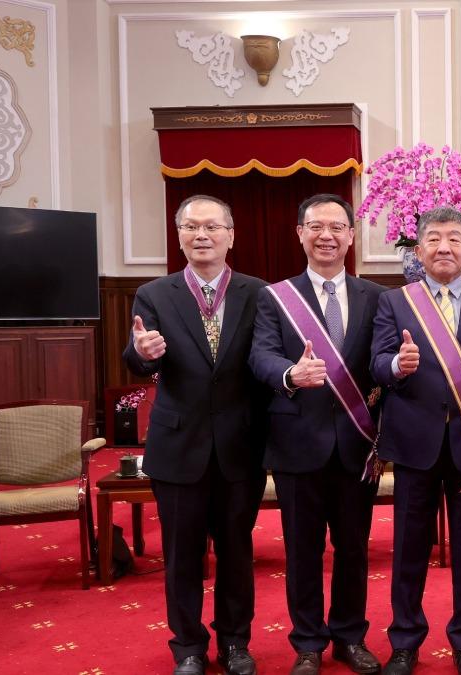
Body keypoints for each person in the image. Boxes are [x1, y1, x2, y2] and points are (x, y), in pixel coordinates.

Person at [370, 206, 461, 675]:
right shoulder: (395, 303)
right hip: (414, 444)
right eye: (433, 239)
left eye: (454, 239)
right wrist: (398, 365)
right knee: (409, 548)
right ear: (418, 250)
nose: (444, 247)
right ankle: (405, 641)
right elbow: (375, 363)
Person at [123, 195, 268, 675]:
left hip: (239, 447)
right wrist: (144, 352)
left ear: (231, 234)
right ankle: (187, 646)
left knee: (236, 551)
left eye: (211, 226)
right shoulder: (155, 294)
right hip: (178, 445)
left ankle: (235, 644)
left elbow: (264, 361)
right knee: (181, 556)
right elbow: (138, 355)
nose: (201, 234)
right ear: (179, 235)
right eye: (191, 226)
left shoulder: (258, 293)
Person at [249, 194, 386, 675]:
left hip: (355, 444)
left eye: (337, 227)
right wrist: (289, 373)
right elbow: (260, 355)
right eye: (316, 226)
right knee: (301, 550)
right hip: (296, 445)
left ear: (351, 235)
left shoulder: (376, 296)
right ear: (300, 234)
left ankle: (350, 636)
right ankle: (307, 642)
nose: (326, 235)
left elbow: (380, 363)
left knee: (354, 548)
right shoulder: (275, 297)